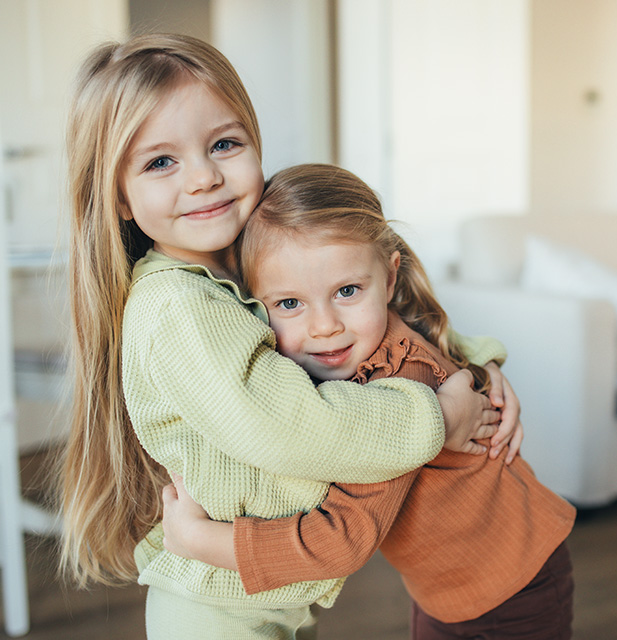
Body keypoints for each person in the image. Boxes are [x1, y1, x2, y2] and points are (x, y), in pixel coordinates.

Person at [59, 32, 518, 639]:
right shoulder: (179, 307)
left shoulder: (241, 261)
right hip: (220, 606)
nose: (203, 177)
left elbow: (376, 298)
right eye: (160, 161)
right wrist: (437, 414)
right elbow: (289, 426)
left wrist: (477, 367)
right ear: (118, 195)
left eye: (223, 143)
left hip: (273, 592)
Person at [162, 164, 576, 640]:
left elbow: (340, 542)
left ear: (390, 279)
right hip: (448, 588)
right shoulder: (340, 353)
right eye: (289, 303)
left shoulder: (398, 395)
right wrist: (486, 362)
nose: (324, 326)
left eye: (347, 291)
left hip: (513, 588)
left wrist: (200, 540)